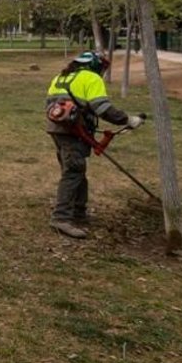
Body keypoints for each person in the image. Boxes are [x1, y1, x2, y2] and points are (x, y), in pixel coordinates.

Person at [43, 50, 144, 239]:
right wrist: (127, 120)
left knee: (76, 170)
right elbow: (103, 109)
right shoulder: (91, 78)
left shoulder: (60, 77)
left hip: (57, 129)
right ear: (94, 66)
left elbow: (49, 106)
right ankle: (61, 218)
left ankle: (78, 212)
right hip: (73, 131)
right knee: (73, 172)